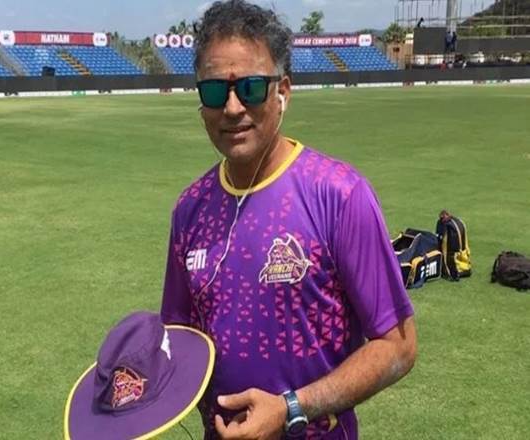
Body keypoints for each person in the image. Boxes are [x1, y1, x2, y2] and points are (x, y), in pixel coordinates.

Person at [160, 1, 417, 439]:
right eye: (215, 91)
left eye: (251, 88)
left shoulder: (339, 195)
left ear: (283, 92)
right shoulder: (189, 209)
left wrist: (292, 408)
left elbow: (398, 345)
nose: (233, 108)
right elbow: (178, 337)